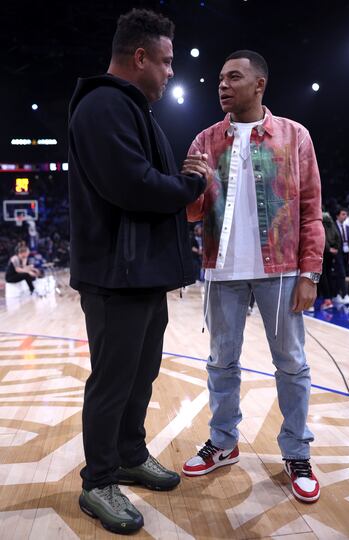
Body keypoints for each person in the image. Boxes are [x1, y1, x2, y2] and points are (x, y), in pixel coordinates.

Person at [68, 9, 208, 535]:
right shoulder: (104, 104)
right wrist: (188, 184)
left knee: (140, 376)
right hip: (114, 275)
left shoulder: (129, 108)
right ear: (140, 56)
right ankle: (98, 480)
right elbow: (134, 186)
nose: (171, 72)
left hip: (139, 273)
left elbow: (145, 181)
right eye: (167, 61)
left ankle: (128, 454)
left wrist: (176, 183)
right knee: (112, 381)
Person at [182, 50, 324, 503]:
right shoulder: (204, 141)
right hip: (222, 271)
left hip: (280, 271)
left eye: (234, 78)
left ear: (259, 84)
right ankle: (223, 443)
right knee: (221, 363)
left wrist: (311, 273)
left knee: (292, 364)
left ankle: (297, 452)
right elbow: (191, 215)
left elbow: (310, 211)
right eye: (220, 78)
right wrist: (193, 187)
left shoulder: (295, 136)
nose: (222, 85)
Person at [318, 211, 341, 310]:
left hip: (324, 252)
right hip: (332, 253)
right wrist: (335, 248)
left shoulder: (321, 223)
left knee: (323, 276)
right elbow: (338, 237)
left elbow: (323, 238)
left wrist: (328, 249)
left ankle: (327, 300)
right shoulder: (332, 223)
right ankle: (330, 298)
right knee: (328, 275)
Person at [334, 208, 349, 304]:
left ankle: (337, 294)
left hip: (346, 253)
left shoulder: (347, 226)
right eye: (343, 214)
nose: (345, 216)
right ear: (338, 215)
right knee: (341, 273)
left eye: (346, 214)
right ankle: (345, 294)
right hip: (337, 253)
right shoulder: (333, 225)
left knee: (341, 274)